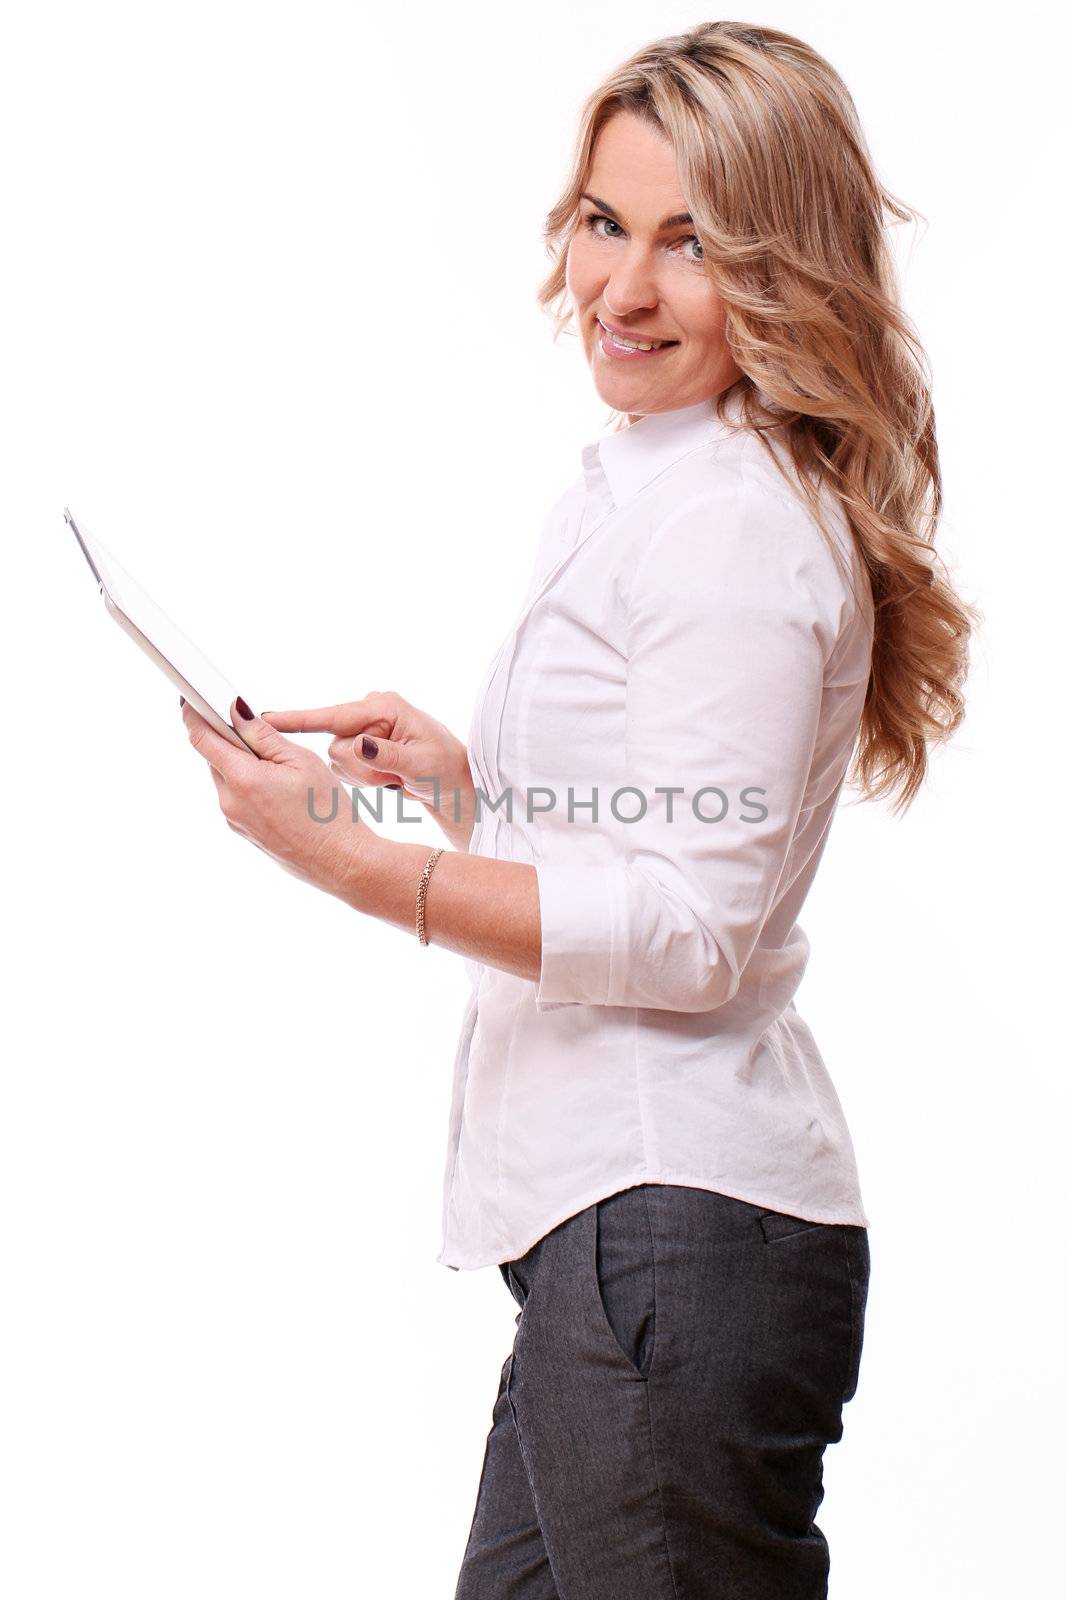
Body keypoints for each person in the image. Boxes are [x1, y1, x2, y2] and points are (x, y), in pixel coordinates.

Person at [180, 20, 978, 1599]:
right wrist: (466, 787)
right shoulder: (675, 483)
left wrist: (352, 866)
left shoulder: (731, 527)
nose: (624, 290)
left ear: (788, 269)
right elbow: (667, 846)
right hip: (627, 1250)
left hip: (668, 1233)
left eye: (695, 245)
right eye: (608, 224)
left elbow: (688, 932)